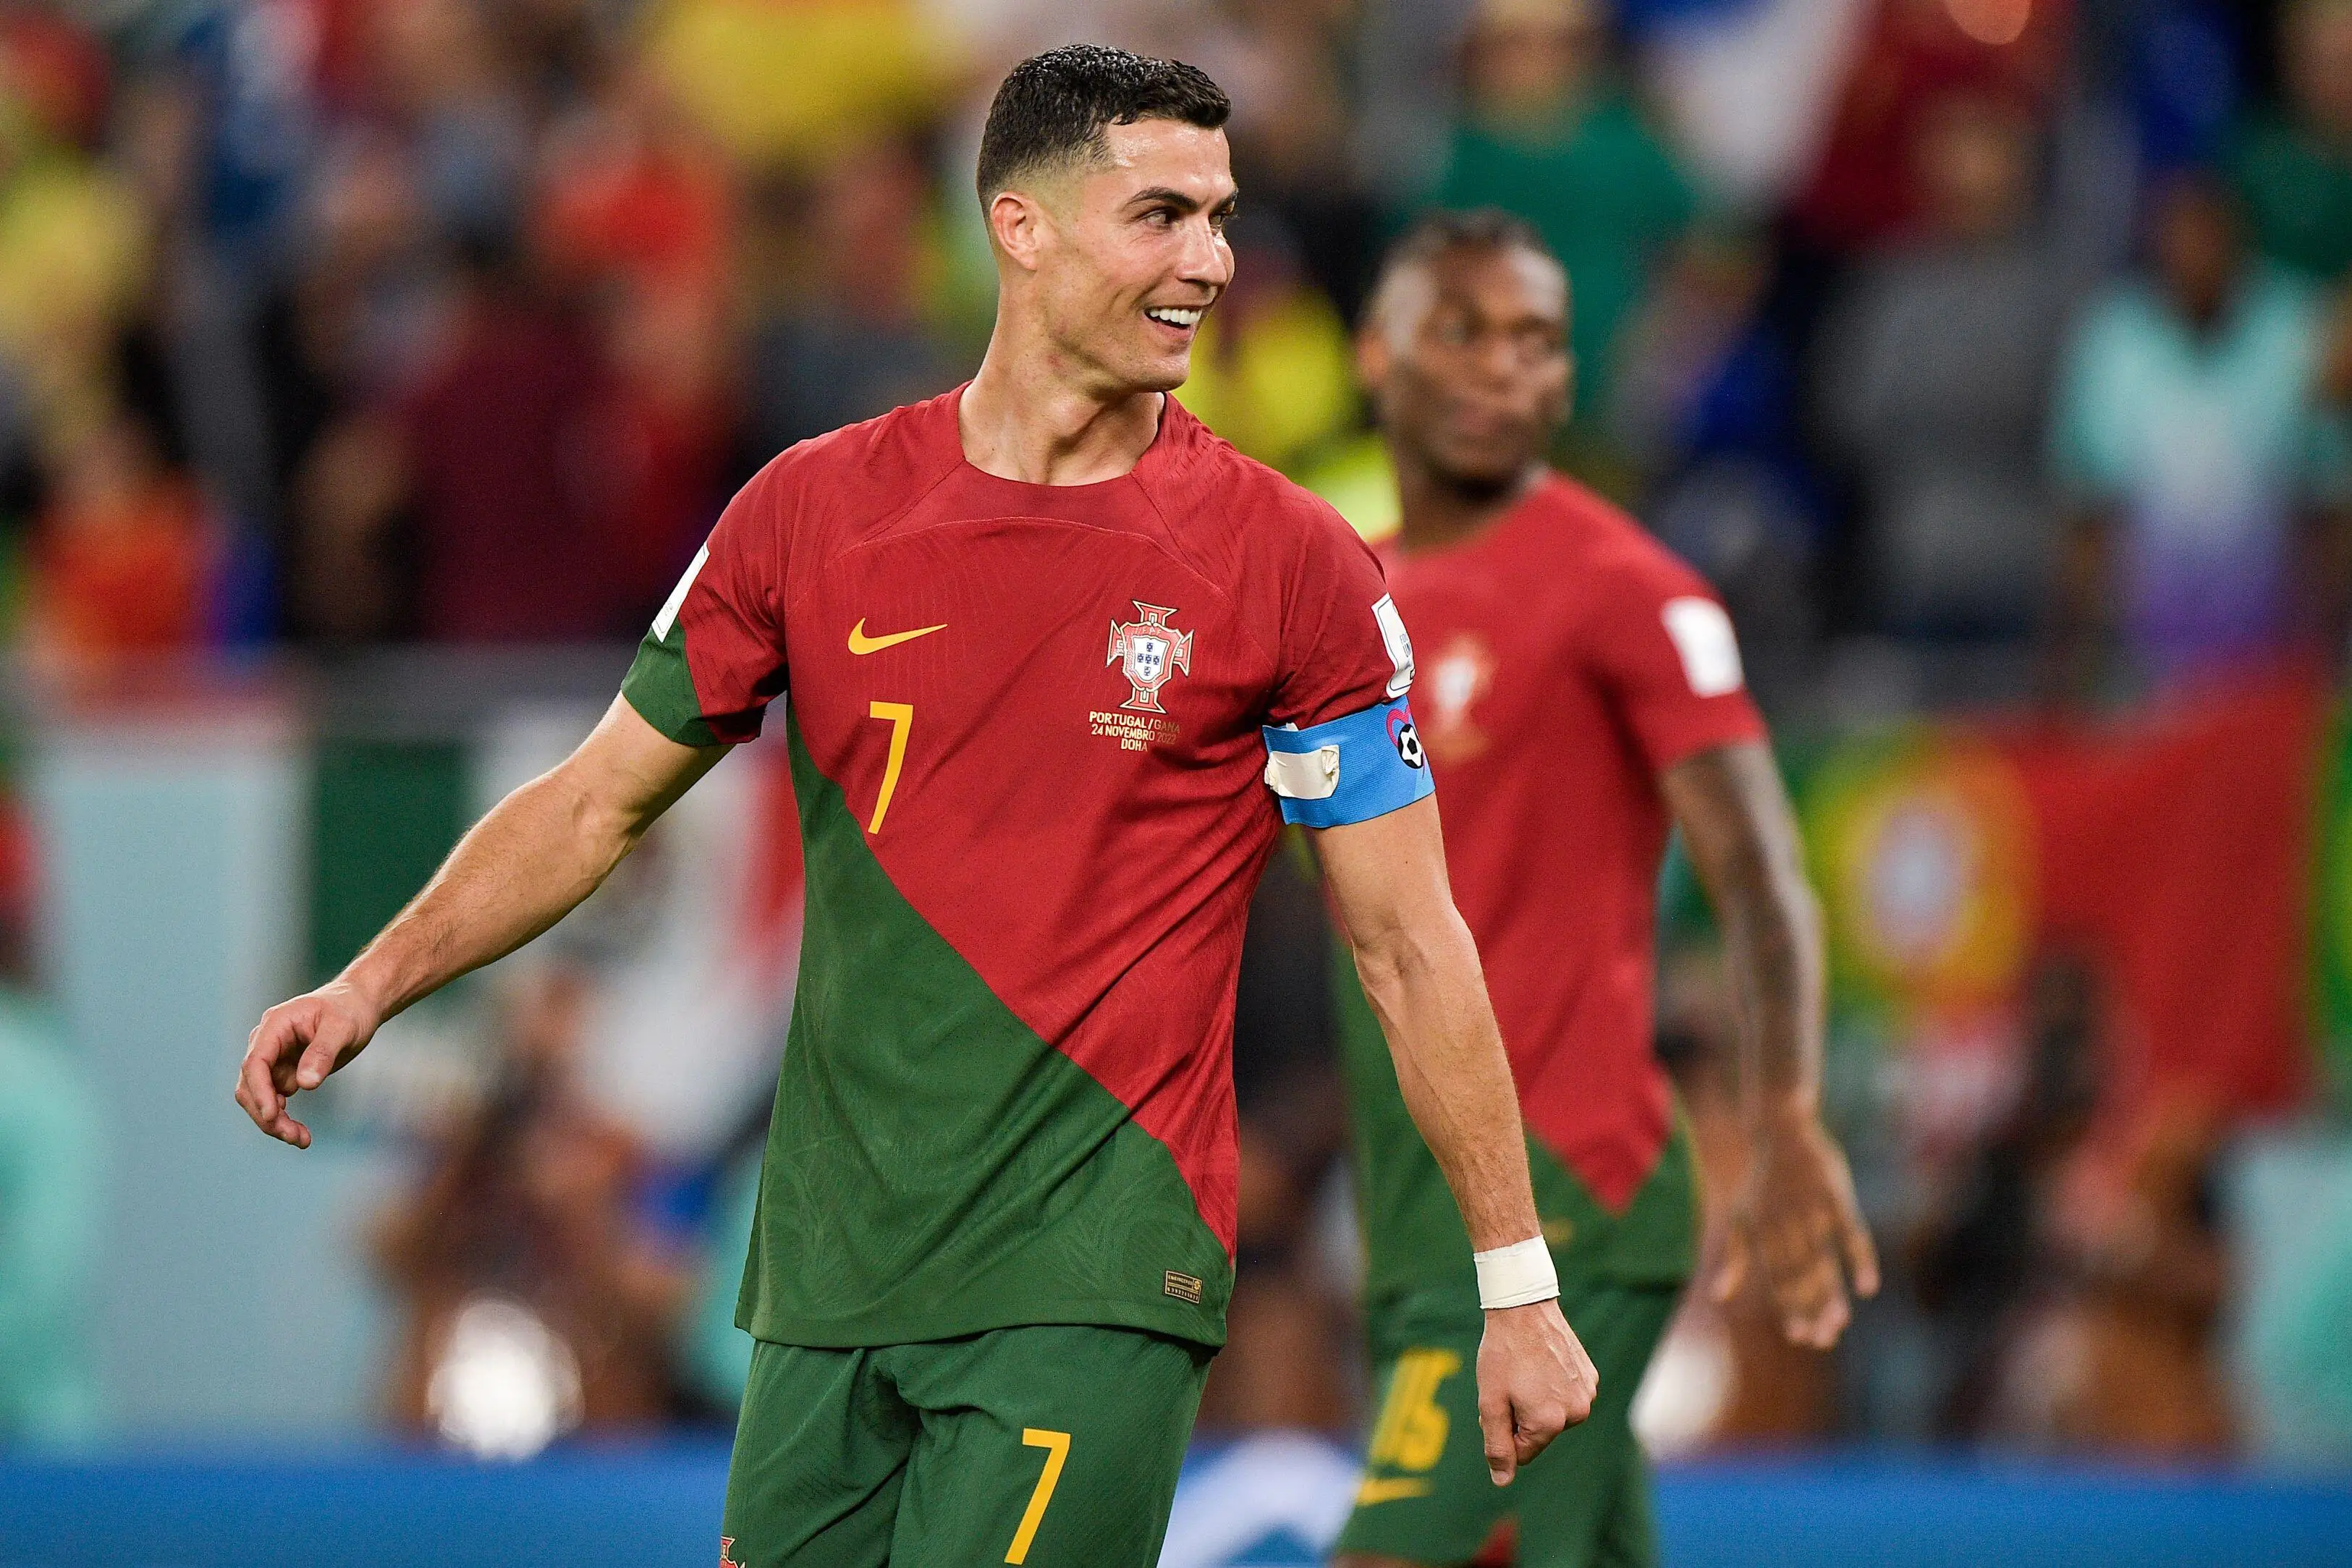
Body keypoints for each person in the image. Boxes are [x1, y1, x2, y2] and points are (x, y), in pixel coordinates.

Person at [235, 46, 1594, 1567]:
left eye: (1220, 218)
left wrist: (1514, 1282)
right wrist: (371, 985)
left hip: (1091, 1279)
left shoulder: (1290, 567)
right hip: (827, 1290)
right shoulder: (807, 513)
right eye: (1161, 217)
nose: (1209, 262)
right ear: (1020, 227)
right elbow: (596, 800)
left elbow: (1408, 941)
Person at [1330, 210, 1877, 1568]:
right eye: (1461, 329)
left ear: (1568, 379)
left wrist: (1788, 1112)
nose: (1500, 368)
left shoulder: (1624, 589)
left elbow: (1758, 875)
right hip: (1417, 1220)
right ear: (1373, 356)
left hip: (1570, 1191)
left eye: (1534, 341)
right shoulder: (1336, 602)